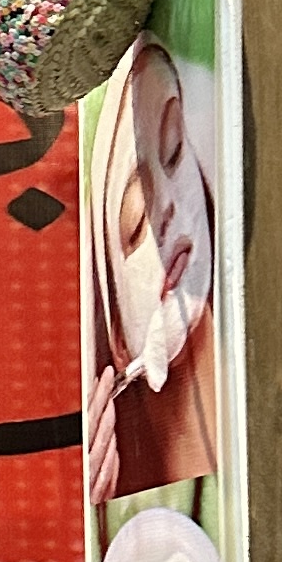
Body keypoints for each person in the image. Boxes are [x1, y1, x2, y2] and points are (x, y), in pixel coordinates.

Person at [81, 34, 220, 505]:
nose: (167, 209)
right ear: (118, 342)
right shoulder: (132, 519)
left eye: (176, 150)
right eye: (135, 220)